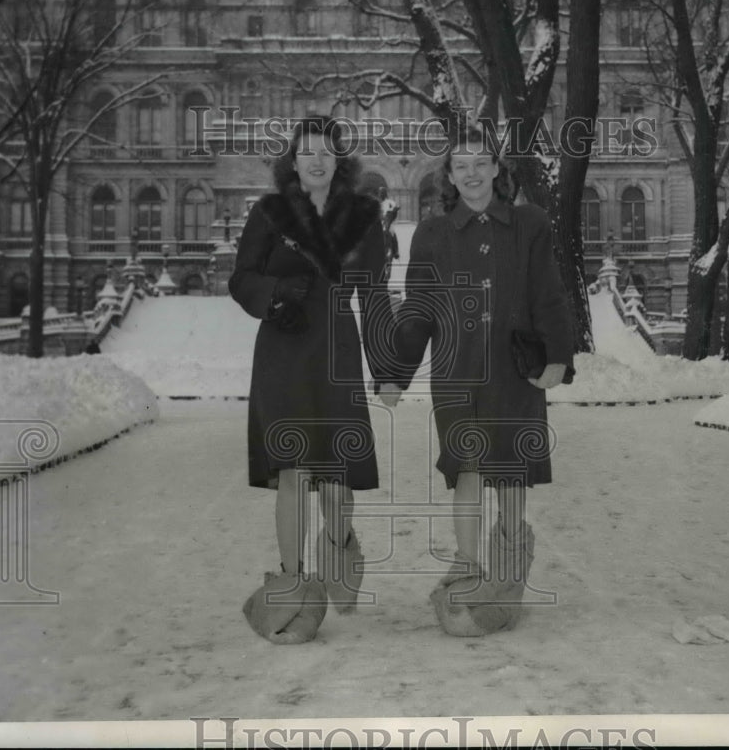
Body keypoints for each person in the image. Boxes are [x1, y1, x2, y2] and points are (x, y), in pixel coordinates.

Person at [379, 128, 574, 637]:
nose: (470, 172)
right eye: (460, 164)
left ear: (495, 169)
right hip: (457, 369)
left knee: (510, 470)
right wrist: (397, 374)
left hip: (515, 369)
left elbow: (549, 293)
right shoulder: (431, 234)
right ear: (449, 175)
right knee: (466, 469)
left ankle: (508, 567)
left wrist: (558, 356)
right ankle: (467, 565)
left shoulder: (530, 224)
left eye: (479, 162)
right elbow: (419, 312)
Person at [229, 116, 397, 644]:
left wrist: (388, 368)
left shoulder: (364, 217)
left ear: (340, 161)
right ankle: (291, 581)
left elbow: (372, 296)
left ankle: (340, 541)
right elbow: (242, 278)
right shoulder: (269, 213)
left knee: (335, 473)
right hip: (283, 346)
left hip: (337, 349)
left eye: (326, 153)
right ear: (293, 161)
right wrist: (278, 293)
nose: (316, 161)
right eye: (306, 153)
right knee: (293, 469)